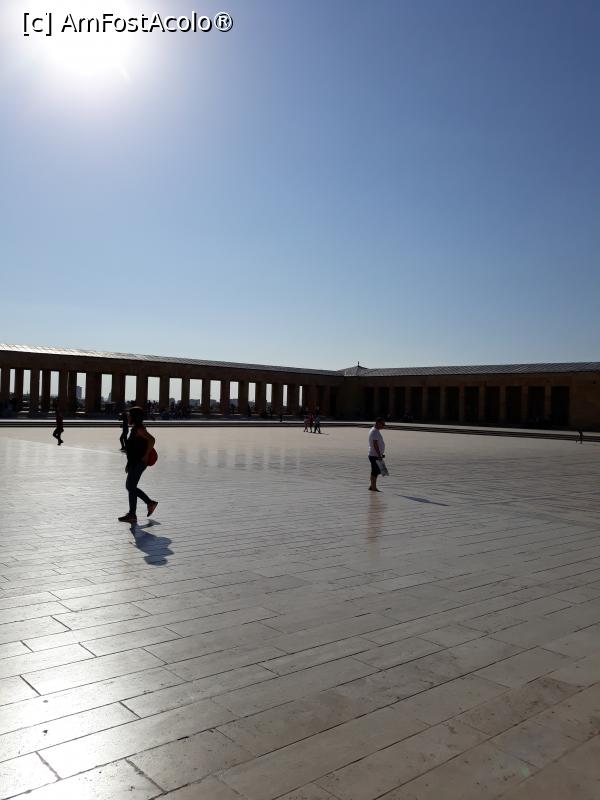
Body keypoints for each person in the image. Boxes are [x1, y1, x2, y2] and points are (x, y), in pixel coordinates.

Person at [118, 406, 158, 524]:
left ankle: (137, 511)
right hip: (135, 462)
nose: (128, 417)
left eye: (130, 415)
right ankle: (143, 507)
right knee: (130, 487)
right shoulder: (136, 428)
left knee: (131, 487)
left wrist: (146, 455)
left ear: (134, 417)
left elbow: (152, 440)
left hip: (139, 462)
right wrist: (129, 463)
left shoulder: (139, 429)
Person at [368, 417, 386, 492]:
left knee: (377, 471)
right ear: (378, 423)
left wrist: (381, 454)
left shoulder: (375, 430)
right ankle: (373, 488)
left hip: (374, 454)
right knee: (375, 471)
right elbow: (375, 444)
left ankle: (372, 486)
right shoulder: (375, 431)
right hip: (374, 455)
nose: (384, 426)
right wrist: (379, 455)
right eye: (382, 424)